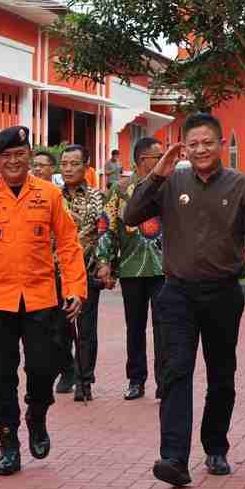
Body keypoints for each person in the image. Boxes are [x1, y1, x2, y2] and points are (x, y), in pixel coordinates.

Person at [124, 112, 245, 487]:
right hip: (177, 293)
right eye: (193, 144)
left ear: (221, 144)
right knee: (176, 372)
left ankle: (216, 446)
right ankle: (173, 457)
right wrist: (158, 172)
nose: (201, 149)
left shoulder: (241, 185)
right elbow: (131, 215)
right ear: (184, 148)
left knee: (221, 374)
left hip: (224, 293)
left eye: (208, 142)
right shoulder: (170, 181)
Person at [0, 125, 87, 477]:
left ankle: (37, 412)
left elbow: (69, 244)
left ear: (29, 157)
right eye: (6, 156)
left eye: (19, 155)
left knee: (45, 366)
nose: (13, 161)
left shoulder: (49, 195)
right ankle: (8, 443)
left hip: (41, 297)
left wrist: (74, 288)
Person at [104, 136, 168, 401]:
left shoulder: (170, 186)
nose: (166, 160)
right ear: (144, 160)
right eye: (160, 156)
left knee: (165, 328)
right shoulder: (120, 189)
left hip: (165, 269)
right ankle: (135, 379)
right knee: (135, 327)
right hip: (131, 269)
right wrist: (105, 262)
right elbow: (107, 226)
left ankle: (165, 382)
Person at [59, 144, 114, 402]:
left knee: (86, 329)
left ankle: (85, 380)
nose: (69, 169)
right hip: (55, 273)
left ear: (86, 167)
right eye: (65, 164)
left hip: (87, 272)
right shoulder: (51, 196)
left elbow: (104, 232)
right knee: (60, 329)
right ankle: (67, 368)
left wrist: (105, 263)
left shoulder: (97, 197)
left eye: (74, 164)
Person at [31, 152, 77, 394]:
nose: (37, 170)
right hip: (35, 273)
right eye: (34, 165)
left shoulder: (58, 196)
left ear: (52, 169)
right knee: (45, 330)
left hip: (59, 272)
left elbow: (68, 235)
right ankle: (61, 367)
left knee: (61, 328)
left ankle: (69, 369)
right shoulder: (29, 194)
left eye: (42, 165)